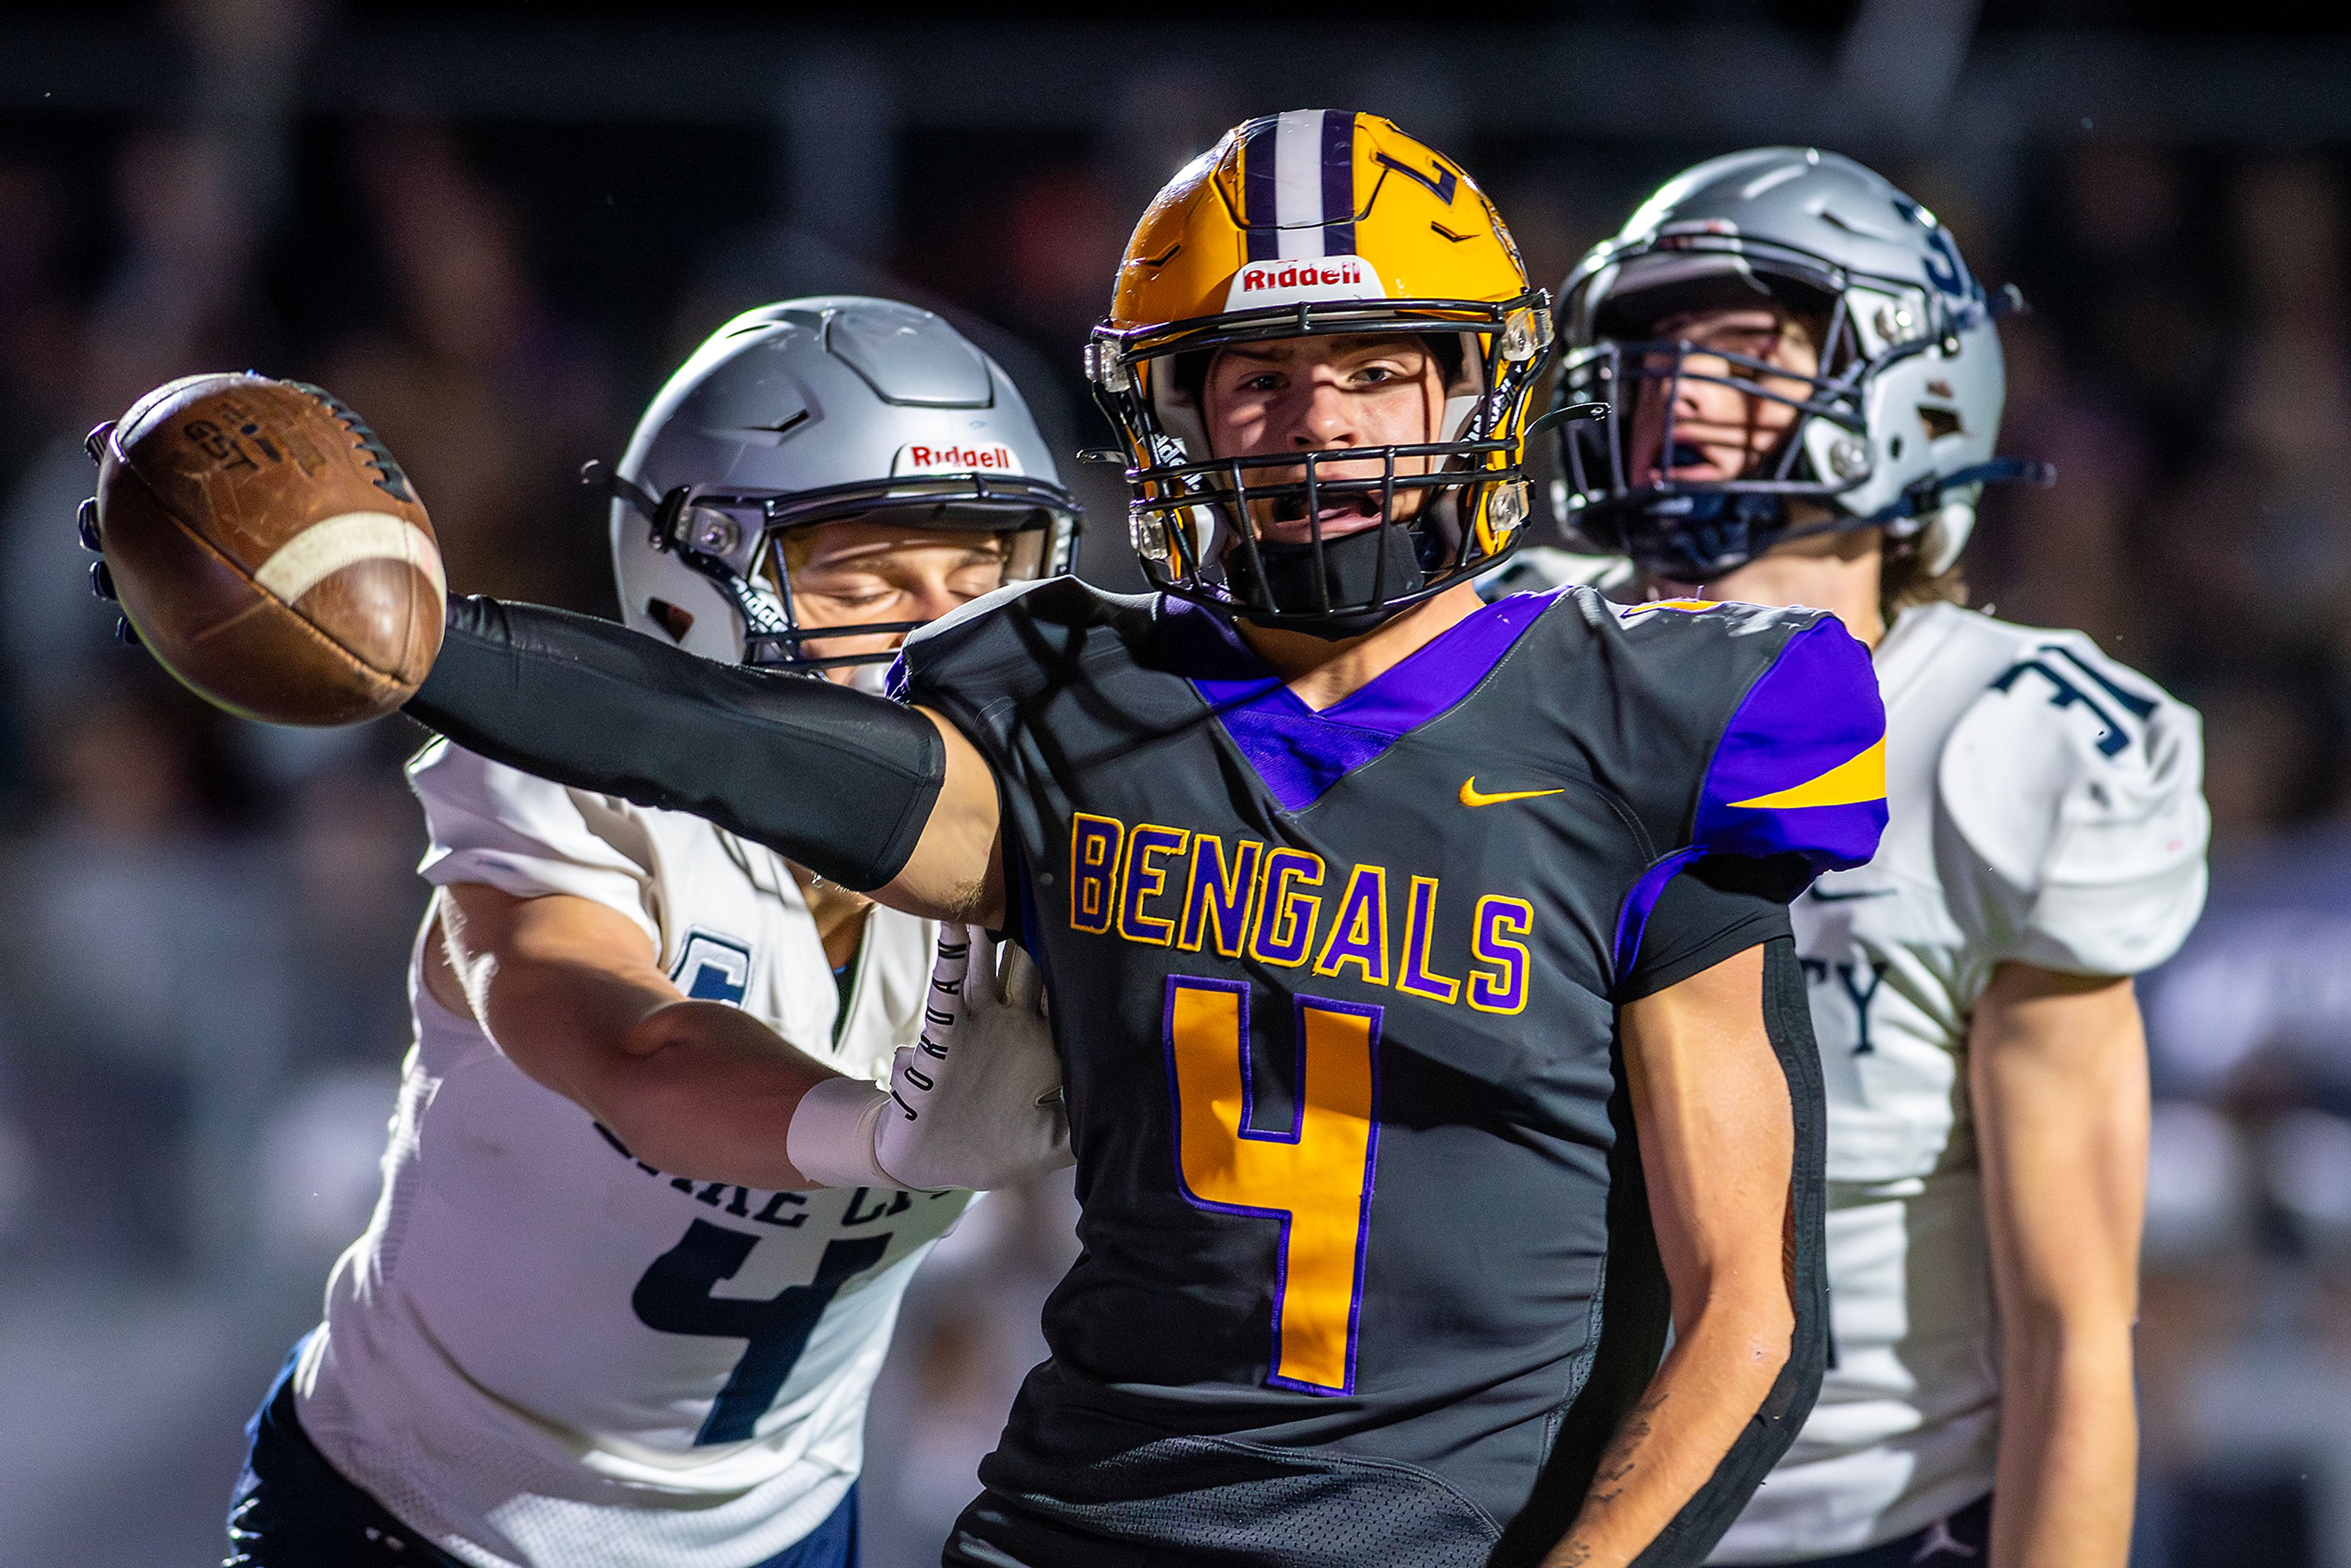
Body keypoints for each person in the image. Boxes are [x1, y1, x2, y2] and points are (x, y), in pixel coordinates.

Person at [101, 117, 1888, 1567]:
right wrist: (436, 655)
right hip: (951, 1528)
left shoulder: (1659, 719)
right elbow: (712, 787)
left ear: (1478, 388)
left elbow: (1750, 1314)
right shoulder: (1068, 714)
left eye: (1374, 367)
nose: (1321, 424)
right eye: (1255, 380)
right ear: (1171, 418)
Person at [216, 298, 1083, 1568]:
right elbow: (637, 1060)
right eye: (870, 577)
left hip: (784, 1529)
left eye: (982, 576)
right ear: (693, 592)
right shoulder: (560, 782)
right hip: (419, 1518)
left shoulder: (1053, 830)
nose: (949, 633)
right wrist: (887, 1134)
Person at [1545, 148, 2210, 1568]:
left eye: (1737, 345)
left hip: (1885, 1526)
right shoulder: (1525, 670)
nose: (1673, 390)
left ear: (1911, 384)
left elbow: (2074, 1325)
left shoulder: (2004, 742)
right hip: (1543, 1510)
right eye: (1651, 350)